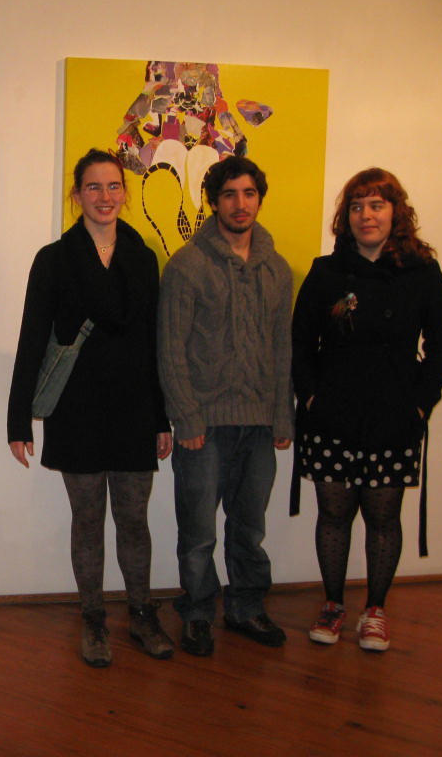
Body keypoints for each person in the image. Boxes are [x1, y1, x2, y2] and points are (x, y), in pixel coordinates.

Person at [7, 148, 174, 668]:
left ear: (125, 192)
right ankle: (94, 620)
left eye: (114, 186)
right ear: (77, 195)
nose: (105, 196)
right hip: (75, 412)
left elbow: (153, 344)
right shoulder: (53, 259)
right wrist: (17, 420)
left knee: (134, 521)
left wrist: (161, 417)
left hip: (133, 411)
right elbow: (32, 339)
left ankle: (142, 614)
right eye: (94, 187)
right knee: (87, 522)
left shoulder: (143, 258)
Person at [290, 168, 442, 652]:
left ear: (395, 212)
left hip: (394, 416)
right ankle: (333, 604)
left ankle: (376, 610)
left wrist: (421, 405)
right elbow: (300, 342)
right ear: (347, 216)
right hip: (332, 414)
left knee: (384, 518)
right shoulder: (326, 272)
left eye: (377, 205)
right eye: (357, 206)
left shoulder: (422, 273)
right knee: (334, 514)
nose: (366, 215)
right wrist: (310, 396)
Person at [157, 155, 294, 656]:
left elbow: (282, 349)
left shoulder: (278, 270)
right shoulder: (187, 266)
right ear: (214, 202)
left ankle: (246, 608)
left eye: (249, 193)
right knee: (198, 533)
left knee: (250, 528)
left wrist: (282, 414)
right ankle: (197, 613)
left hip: (259, 425)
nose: (240, 204)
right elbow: (170, 349)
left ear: (259, 199)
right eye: (230, 194)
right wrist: (187, 417)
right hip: (205, 427)